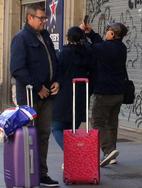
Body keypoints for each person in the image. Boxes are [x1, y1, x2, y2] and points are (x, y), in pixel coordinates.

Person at [10, 3, 60, 187]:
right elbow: (17, 69)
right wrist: (38, 86)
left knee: (44, 134)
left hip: (47, 94)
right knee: (29, 134)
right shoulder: (21, 39)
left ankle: (42, 174)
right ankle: (26, 173)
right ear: (29, 18)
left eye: (45, 18)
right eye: (41, 18)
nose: (44, 22)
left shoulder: (45, 36)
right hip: (30, 95)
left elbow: (54, 60)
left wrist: (57, 80)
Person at [80, 22, 128, 167]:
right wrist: (91, 33)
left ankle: (108, 151)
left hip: (104, 92)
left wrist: (82, 34)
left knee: (98, 122)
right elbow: (100, 44)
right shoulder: (121, 47)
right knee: (112, 123)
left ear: (112, 34)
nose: (106, 32)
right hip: (118, 92)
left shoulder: (105, 48)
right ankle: (112, 153)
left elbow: (90, 48)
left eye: (108, 30)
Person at [52, 26, 91, 151]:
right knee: (72, 128)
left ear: (68, 38)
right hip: (81, 95)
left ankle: (72, 154)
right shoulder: (87, 52)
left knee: (56, 127)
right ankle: (71, 160)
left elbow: (57, 71)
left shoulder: (64, 53)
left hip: (65, 95)